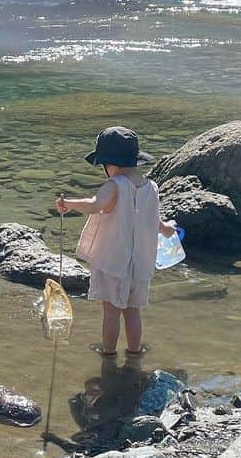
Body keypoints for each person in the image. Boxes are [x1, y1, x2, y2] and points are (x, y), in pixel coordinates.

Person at [56, 125, 176, 357]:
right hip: (140, 265)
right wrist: (167, 229)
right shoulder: (151, 187)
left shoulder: (114, 185)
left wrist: (69, 203)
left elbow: (94, 205)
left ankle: (108, 354)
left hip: (114, 264)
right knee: (133, 312)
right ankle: (134, 353)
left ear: (109, 164)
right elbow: (155, 221)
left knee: (111, 312)